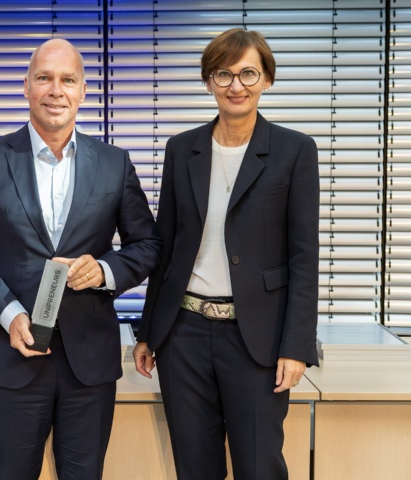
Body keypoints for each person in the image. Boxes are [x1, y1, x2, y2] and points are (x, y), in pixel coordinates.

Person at [0, 38, 160, 480]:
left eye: (68, 80)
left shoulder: (115, 164)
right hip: (13, 358)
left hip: (89, 365)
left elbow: (148, 245)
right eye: (44, 77)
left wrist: (104, 270)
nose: (55, 90)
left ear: (83, 91)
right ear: (26, 86)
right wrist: (8, 313)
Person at [133, 28, 319, 480]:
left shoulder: (294, 151)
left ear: (267, 80)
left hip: (257, 339)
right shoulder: (182, 149)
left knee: (259, 467)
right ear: (208, 81)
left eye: (248, 73)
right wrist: (148, 331)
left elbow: (303, 258)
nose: (236, 85)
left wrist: (296, 348)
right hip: (184, 335)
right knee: (195, 468)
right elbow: (168, 244)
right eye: (223, 74)